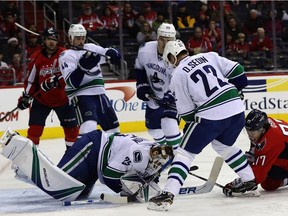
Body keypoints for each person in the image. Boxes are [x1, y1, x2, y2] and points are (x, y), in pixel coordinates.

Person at [148, 39, 257, 211]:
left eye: (168, 59)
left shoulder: (178, 74)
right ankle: (249, 179)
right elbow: (238, 71)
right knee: (223, 145)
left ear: (172, 56)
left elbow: (187, 114)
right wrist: (238, 90)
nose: (169, 63)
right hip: (236, 109)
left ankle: (167, 194)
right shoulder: (209, 56)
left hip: (212, 114)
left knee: (184, 152)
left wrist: (192, 127)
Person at [0, 127, 173, 201]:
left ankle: (25, 168)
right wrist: (126, 191)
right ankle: (19, 147)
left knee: (75, 194)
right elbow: (109, 176)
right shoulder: (140, 154)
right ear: (155, 152)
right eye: (158, 162)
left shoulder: (154, 154)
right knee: (59, 185)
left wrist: (147, 185)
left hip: (96, 163)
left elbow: (150, 175)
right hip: (91, 149)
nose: (158, 166)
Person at [16, 27, 79, 149]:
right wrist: (26, 96)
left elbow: (73, 74)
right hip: (42, 101)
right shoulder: (36, 58)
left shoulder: (65, 54)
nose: (52, 42)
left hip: (64, 100)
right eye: (49, 39)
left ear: (58, 40)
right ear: (43, 41)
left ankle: (72, 158)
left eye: (54, 39)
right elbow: (31, 80)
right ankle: (31, 157)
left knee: (72, 131)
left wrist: (59, 81)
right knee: (34, 130)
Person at [58, 24, 121, 137]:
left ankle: (111, 154)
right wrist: (83, 67)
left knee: (114, 130)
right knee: (89, 127)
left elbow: (106, 53)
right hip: (82, 96)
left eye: (83, 38)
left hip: (101, 95)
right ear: (70, 38)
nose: (81, 41)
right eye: (78, 38)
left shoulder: (91, 47)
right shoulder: (66, 56)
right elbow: (72, 83)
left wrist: (113, 52)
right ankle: (84, 153)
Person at [134, 23, 182, 148]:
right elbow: (139, 68)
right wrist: (142, 85)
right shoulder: (145, 50)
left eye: (169, 40)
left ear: (174, 40)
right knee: (153, 129)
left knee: (169, 123)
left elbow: (183, 79)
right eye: (162, 39)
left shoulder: (179, 54)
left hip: (173, 97)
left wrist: (172, 95)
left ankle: (180, 157)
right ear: (157, 37)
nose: (165, 43)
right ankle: (167, 151)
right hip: (154, 96)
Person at [241, 109, 288, 191]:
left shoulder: (272, 140)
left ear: (262, 129)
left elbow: (257, 177)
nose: (250, 136)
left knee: (268, 183)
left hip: (283, 152)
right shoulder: (265, 125)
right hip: (283, 150)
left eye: (252, 133)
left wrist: (240, 183)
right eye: (248, 131)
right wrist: (252, 153)